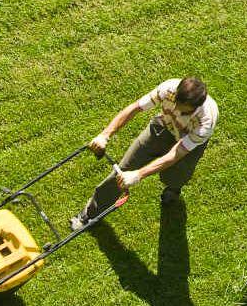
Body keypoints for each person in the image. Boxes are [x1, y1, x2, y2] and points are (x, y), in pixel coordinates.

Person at [70, 77, 218, 230]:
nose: (176, 110)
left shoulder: (206, 121)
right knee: (123, 170)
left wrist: (139, 175)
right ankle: (90, 213)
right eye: (175, 104)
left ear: (195, 107)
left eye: (182, 109)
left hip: (188, 142)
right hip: (162, 127)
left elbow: (176, 154)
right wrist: (105, 135)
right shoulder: (169, 88)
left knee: (175, 177)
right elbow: (135, 108)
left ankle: (173, 188)